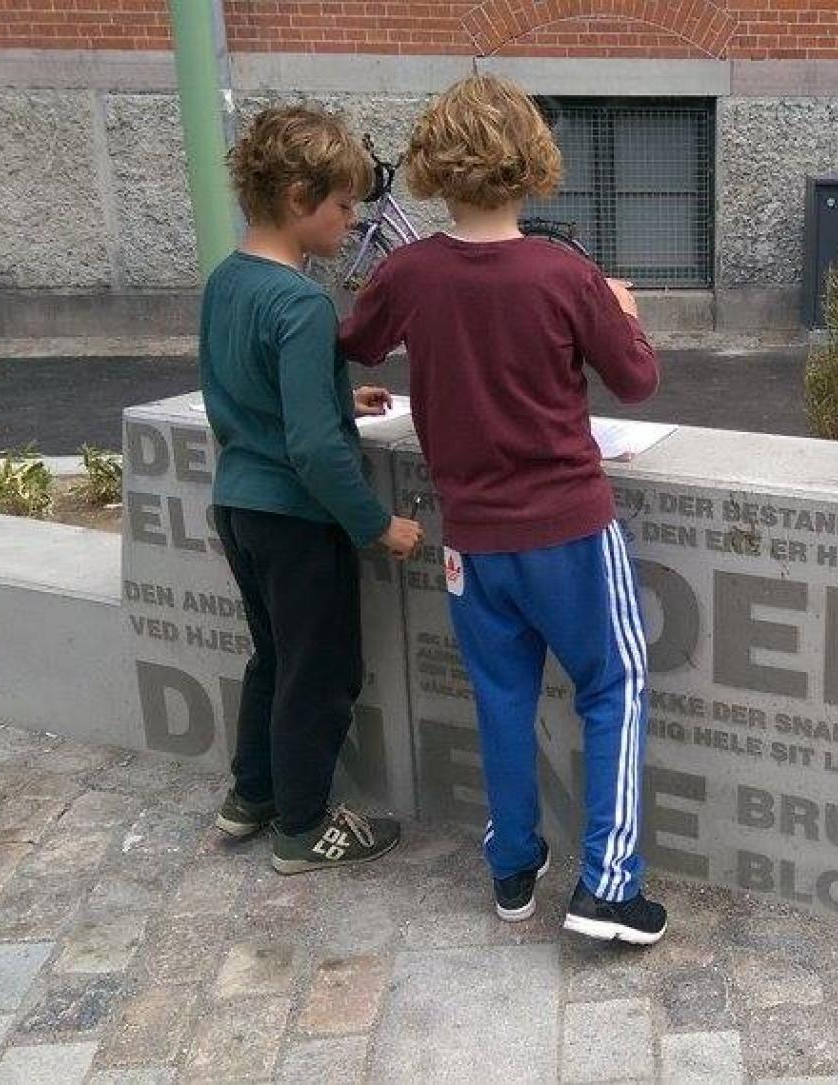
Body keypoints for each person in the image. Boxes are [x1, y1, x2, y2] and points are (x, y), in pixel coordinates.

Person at [338, 74, 666, 944]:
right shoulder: (567, 275)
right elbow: (636, 379)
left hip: (470, 543)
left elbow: (353, 340)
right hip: (568, 530)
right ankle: (608, 886)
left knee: (502, 699)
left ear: (434, 168)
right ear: (533, 163)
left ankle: (513, 865)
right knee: (616, 685)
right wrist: (623, 312)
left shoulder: (409, 272)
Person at [201, 105, 424, 874]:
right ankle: (302, 826)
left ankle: (250, 796)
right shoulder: (301, 302)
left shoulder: (229, 279)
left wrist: (336, 396)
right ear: (299, 197)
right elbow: (315, 451)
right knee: (320, 671)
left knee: (273, 657)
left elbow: (246, 392)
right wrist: (376, 525)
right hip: (298, 517)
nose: (352, 219)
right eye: (343, 205)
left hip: (239, 506)